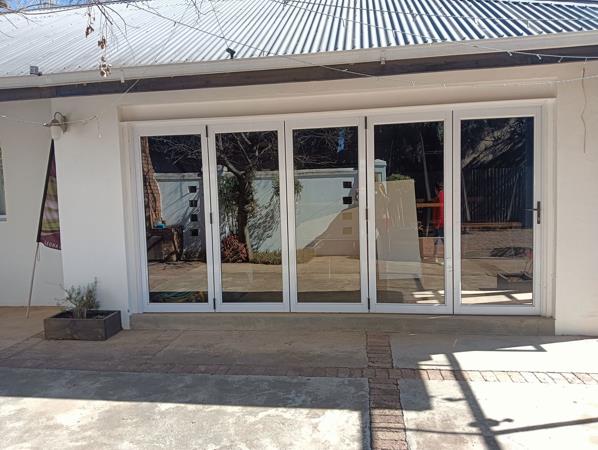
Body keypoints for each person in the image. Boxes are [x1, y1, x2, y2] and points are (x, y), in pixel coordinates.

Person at [432, 181, 444, 263]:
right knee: (440, 240)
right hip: (441, 222)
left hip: (439, 223)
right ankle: (435, 256)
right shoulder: (445, 196)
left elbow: (440, 211)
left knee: (438, 240)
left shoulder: (439, 197)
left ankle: (435, 257)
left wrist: (437, 223)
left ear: (436, 189)